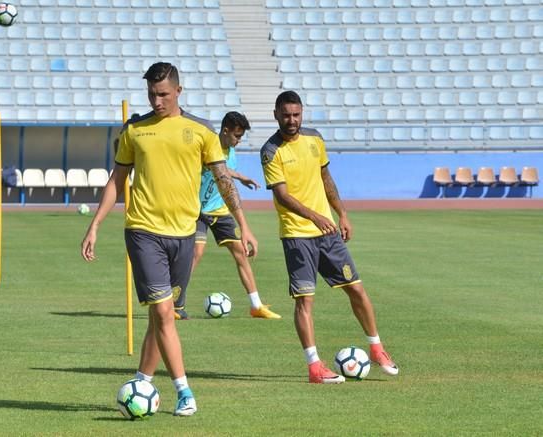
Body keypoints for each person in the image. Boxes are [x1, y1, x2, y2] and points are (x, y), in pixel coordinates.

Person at [81, 62, 257, 416]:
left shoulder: (201, 131)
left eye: (163, 94)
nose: (157, 101)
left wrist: (244, 224)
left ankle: (143, 379)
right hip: (144, 231)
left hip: (185, 234)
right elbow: (118, 180)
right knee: (163, 311)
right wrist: (96, 224)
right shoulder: (135, 130)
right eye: (151, 94)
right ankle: (184, 391)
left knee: (164, 317)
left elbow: (223, 179)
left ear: (178, 91)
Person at [260, 91, 399, 384]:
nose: (292, 121)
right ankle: (314, 367)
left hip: (327, 234)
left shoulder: (315, 139)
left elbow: (326, 179)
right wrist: (315, 216)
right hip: (297, 236)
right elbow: (282, 196)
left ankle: (376, 347)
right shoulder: (270, 151)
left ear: (302, 114)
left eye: (296, 115)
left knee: (357, 289)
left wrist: (342, 213)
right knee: (305, 302)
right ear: (276, 115)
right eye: (286, 115)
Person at [174, 111, 281, 320]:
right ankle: (175, 304)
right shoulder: (208, 144)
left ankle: (256, 306)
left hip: (220, 211)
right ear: (225, 131)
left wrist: (240, 178)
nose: (238, 141)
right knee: (196, 253)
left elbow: (225, 174)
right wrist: (239, 176)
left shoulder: (231, 150)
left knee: (241, 251)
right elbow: (215, 167)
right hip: (197, 211)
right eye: (237, 136)